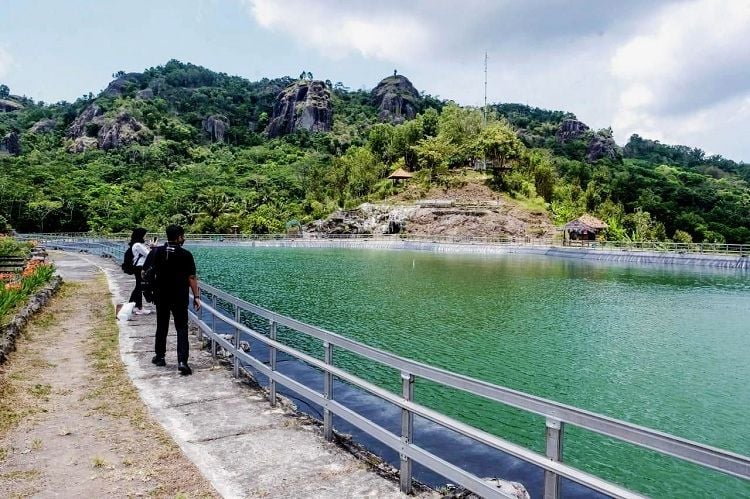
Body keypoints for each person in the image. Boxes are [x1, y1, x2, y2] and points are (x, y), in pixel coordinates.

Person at [145, 224, 201, 375]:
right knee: (181, 328)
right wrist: (196, 296)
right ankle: (182, 361)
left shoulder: (156, 251)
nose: (184, 238)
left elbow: (145, 271)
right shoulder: (186, 255)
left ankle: (160, 356)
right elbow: (192, 278)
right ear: (179, 237)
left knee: (162, 325)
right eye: (183, 236)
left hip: (161, 295)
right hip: (180, 296)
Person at [128, 228, 152, 315]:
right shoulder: (138, 245)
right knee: (139, 287)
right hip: (139, 267)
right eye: (145, 234)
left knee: (138, 287)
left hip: (138, 267)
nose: (146, 236)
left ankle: (133, 306)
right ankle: (138, 307)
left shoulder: (138, 244)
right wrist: (152, 247)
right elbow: (149, 254)